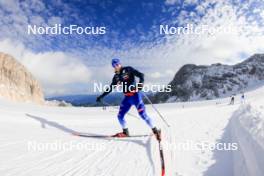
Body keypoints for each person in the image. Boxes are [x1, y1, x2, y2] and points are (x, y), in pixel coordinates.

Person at [96, 58, 161, 140]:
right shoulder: (116, 77)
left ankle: (156, 131)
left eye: (117, 64)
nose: (116, 66)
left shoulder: (128, 69)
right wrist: (101, 96)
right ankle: (125, 132)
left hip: (135, 95)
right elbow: (110, 88)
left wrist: (141, 84)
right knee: (120, 116)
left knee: (143, 115)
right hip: (127, 98)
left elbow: (141, 75)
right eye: (114, 65)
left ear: (120, 63)